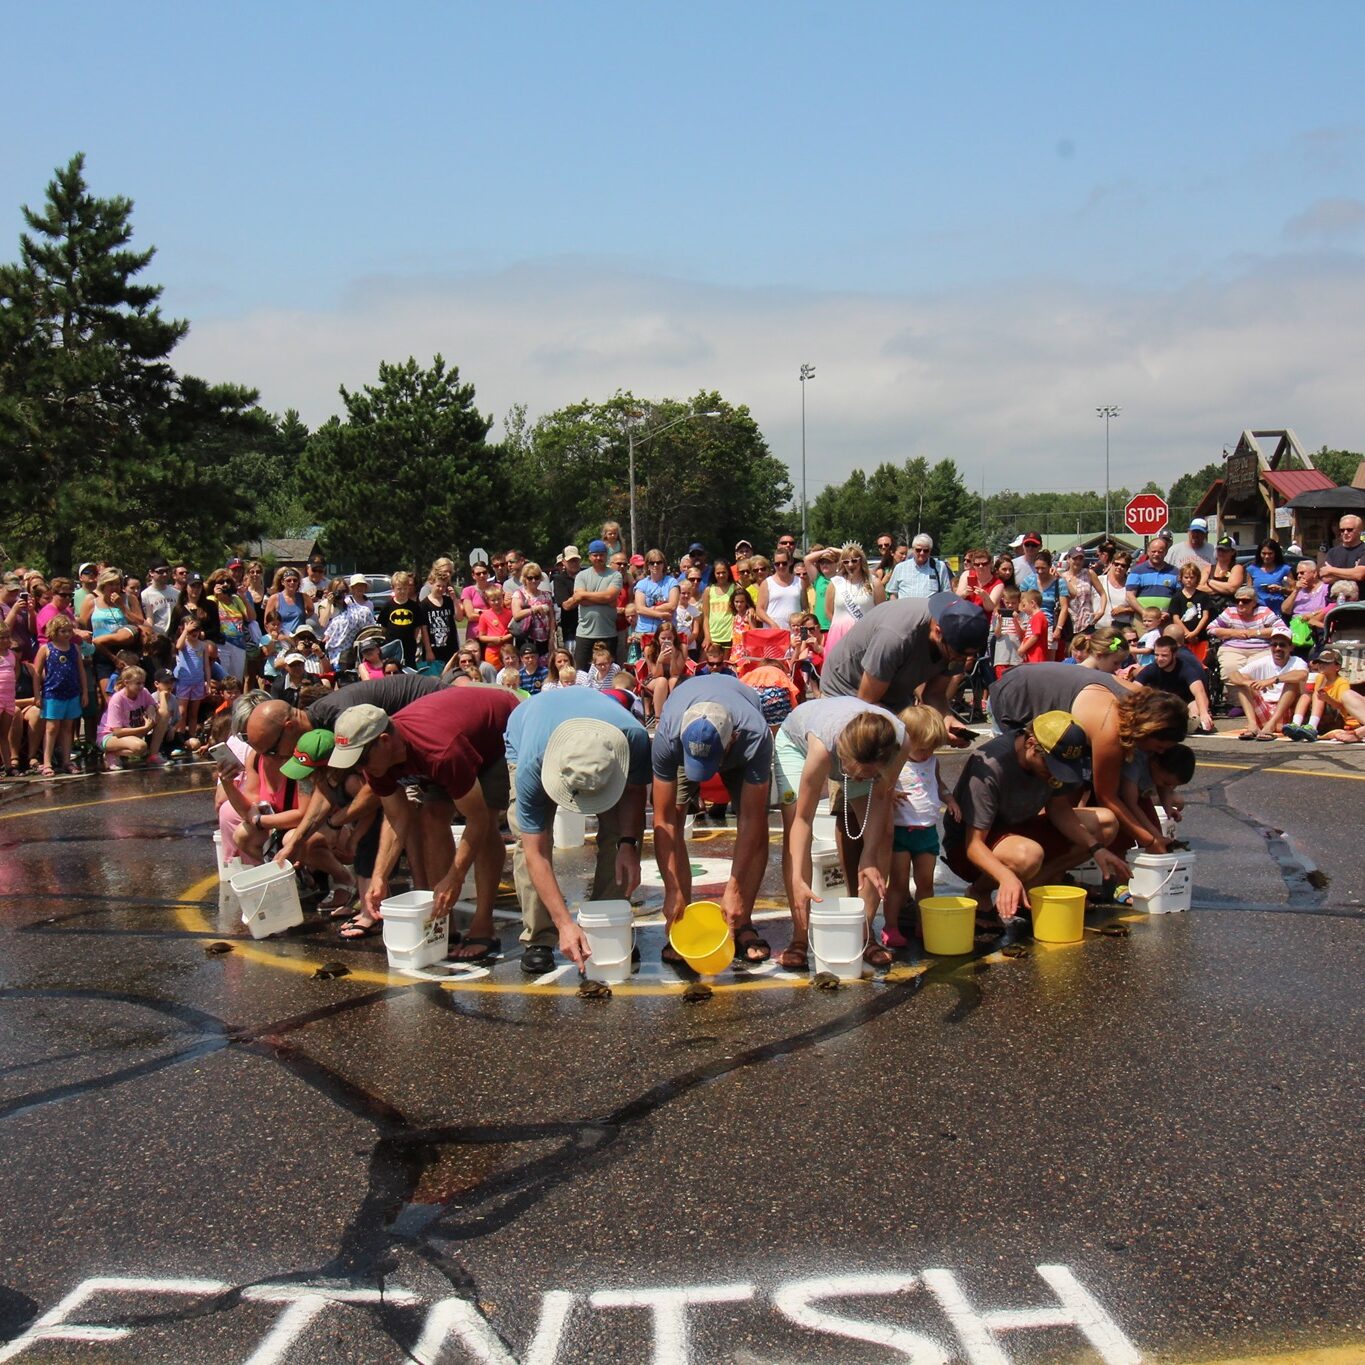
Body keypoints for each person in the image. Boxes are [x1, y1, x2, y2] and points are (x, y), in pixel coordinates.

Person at [335, 689, 517, 953]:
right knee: (431, 819)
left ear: (384, 741)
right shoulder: (377, 762)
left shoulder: (440, 751)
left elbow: (475, 820)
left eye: (361, 759)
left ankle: (483, 925)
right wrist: (379, 877)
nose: (361, 769)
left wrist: (455, 878)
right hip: (449, 740)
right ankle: (444, 924)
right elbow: (397, 817)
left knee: (486, 820)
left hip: (495, 732)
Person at [504, 687, 650, 973]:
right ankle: (539, 937)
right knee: (528, 838)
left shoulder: (634, 738)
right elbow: (536, 852)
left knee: (620, 830)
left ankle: (606, 926)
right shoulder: (532, 765)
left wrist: (629, 845)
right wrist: (565, 924)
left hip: (599, 741)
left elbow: (633, 793)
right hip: (528, 731)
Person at [943, 711, 1129, 921]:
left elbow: (1059, 809)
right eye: (1050, 766)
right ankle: (979, 891)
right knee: (1027, 856)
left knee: (1106, 823)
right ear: (1031, 743)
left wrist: (1096, 847)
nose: (1055, 774)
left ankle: (1034, 884)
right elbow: (973, 847)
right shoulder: (991, 767)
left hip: (1020, 830)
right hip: (972, 846)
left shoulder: (1053, 759)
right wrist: (1006, 876)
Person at [987, 661, 1187, 855]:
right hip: (1019, 695)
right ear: (1146, 730)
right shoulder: (1109, 729)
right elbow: (1107, 797)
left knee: (1071, 782)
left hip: (1044, 683)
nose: (1159, 753)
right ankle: (1019, 849)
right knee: (1041, 778)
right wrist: (1149, 840)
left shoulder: (1145, 702)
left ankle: (1061, 849)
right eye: (1159, 747)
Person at [775, 697, 915, 971]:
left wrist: (869, 855)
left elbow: (882, 799)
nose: (860, 779)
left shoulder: (900, 742)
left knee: (884, 834)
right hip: (798, 743)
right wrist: (796, 879)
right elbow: (803, 820)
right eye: (856, 774)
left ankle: (864, 934)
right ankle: (800, 938)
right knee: (795, 828)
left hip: (861, 752)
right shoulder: (821, 749)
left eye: (869, 775)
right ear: (843, 757)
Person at [651, 675, 775, 964]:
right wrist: (671, 891)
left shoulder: (754, 735)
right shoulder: (668, 736)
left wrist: (733, 890)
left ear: (732, 738)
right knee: (677, 812)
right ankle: (681, 917)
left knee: (756, 822)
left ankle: (741, 920)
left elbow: (751, 820)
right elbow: (664, 820)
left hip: (741, 749)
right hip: (684, 740)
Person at [818, 593, 989, 744]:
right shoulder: (896, 636)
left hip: (893, 692)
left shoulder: (958, 635)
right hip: (847, 691)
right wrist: (918, 729)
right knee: (865, 758)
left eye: (968, 655)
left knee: (907, 755)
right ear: (938, 632)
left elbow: (935, 693)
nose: (961, 660)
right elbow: (867, 703)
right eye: (958, 654)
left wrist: (945, 718)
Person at [881, 706, 955, 949]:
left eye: (932, 748)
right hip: (901, 830)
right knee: (899, 884)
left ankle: (923, 924)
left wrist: (950, 799)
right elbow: (880, 785)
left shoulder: (931, 761)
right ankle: (891, 926)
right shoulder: (895, 761)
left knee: (925, 883)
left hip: (927, 830)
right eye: (922, 748)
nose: (927, 753)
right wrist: (890, 794)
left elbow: (939, 784)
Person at [1225, 625, 1308, 740]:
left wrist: (1272, 680)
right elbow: (1233, 675)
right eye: (1274, 645)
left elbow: (1302, 675)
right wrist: (1248, 682)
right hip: (1264, 709)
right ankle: (1252, 725)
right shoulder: (1264, 661)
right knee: (1242, 684)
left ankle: (1272, 724)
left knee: (1292, 681)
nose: (1277, 648)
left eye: (1282, 645)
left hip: (1284, 710)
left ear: (1291, 647)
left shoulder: (1297, 662)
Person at [34, 614, 88, 775]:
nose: (66, 634)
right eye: (62, 631)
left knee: (67, 728)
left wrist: (84, 691)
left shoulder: (74, 648)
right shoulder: (46, 649)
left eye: (68, 631)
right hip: (52, 693)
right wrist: (37, 695)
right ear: (54, 631)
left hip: (71, 693)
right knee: (51, 728)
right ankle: (47, 762)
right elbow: (37, 673)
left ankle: (66, 760)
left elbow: (81, 671)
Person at [1135, 636, 1216, 735]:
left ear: (1174, 654)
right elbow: (1133, 688)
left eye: (1164, 655)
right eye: (1156, 655)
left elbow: (1199, 691)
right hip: (1163, 706)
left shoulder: (1186, 669)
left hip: (1185, 706)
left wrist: (1204, 713)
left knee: (1196, 705)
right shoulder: (1151, 669)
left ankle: (1193, 722)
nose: (1159, 659)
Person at [1283, 647, 1365, 742]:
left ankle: (1312, 726)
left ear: (1337, 667)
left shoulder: (1341, 682)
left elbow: (1343, 707)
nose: (1321, 665)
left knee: (1318, 696)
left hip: (1336, 719)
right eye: (1320, 662)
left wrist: (1327, 699)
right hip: (1322, 716)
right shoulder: (1319, 678)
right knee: (1306, 695)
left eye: (1326, 662)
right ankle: (1296, 724)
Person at [97, 664, 170, 770]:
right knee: (140, 747)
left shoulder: (143, 692)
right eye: (138, 683)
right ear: (126, 683)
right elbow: (117, 732)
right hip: (110, 736)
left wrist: (151, 706)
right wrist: (144, 728)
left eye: (143, 683)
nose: (141, 686)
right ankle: (112, 754)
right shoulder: (117, 699)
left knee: (163, 714)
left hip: (132, 733)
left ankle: (153, 755)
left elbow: (159, 709)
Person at [566, 540, 623, 671]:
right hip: (585, 633)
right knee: (581, 673)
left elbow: (610, 596)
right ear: (590, 556)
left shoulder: (615, 575)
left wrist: (586, 596)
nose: (598, 558)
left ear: (606, 555)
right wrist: (605, 599)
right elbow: (581, 599)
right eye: (595, 555)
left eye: (601, 555)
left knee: (608, 673)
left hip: (608, 633)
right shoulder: (581, 576)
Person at [823, 543, 882, 652]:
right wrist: (842, 626)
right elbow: (828, 612)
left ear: (861, 561)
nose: (850, 565)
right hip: (839, 635)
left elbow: (881, 612)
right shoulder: (835, 583)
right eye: (846, 562)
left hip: (865, 635)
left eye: (854, 560)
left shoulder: (874, 582)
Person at [1210, 585, 1279, 661]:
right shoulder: (1230, 611)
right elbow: (1211, 628)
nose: (1240, 603)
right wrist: (1233, 633)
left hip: (1261, 649)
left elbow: (1281, 629)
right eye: (1237, 601)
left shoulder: (1264, 611)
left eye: (1245, 601)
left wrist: (1255, 632)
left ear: (1254, 602)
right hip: (1232, 648)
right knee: (1230, 667)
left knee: (1257, 667)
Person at [378, 571, 428, 669]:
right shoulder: (387, 606)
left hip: (409, 645)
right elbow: (383, 628)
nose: (402, 591)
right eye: (399, 589)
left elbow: (417, 627)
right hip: (392, 645)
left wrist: (412, 638)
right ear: (393, 588)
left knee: (409, 669)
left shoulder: (414, 606)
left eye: (405, 589)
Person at [1170, 563, 1213, 664]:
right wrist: (1187, 634)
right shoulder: (1177, 596)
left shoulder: (1203, 596)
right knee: (1183, 661)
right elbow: (1175, 618)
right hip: (1183, 639)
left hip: (1200, 637)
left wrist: (1195, 633)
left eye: (1192, 577)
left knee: (1201, 662)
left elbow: (1205, 616)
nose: (1189, 580)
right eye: (1186, 577)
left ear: (1197, 578)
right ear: (1181, 578)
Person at [885, 534, 951, 599]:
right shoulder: (900, 568)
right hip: (906, 609)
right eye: (918, 550)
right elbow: (893, 593)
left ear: (930, 550)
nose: (922, 553)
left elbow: (946, 592)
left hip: (930, 609)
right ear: (913, 549)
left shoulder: (940, 566)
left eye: (926, 550)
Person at [1128, 534, 1180, 616]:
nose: (1156, 554)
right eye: (1153, 551)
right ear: (1148, 552)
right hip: (1143, 620)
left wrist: (1169, 613)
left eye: (1160, 552)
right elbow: (1130, 596)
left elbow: (1179, 596)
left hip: (1166, 619)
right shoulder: (1136, 571)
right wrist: (1144, 613)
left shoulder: (1175, 572)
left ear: (1166, 552)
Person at [757, 547, 803, 629]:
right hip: (773, 631)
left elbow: (805, 607)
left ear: (790, 562)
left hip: (795, 633)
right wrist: (772, 623)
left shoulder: (799, 582)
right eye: (777, 564)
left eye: (784, 563)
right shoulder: (767, 583)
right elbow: (759, 610)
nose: (781, 566)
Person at [699, 559, 736, 656]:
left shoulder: (735, 588)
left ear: (728, 573)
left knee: (726, 666)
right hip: (713, 636)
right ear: (714, 574)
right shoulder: (709, 590)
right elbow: (706, 617)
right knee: (708, 665)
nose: (721, 575)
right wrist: (707, 636)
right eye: (718, 573)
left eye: (724, 572)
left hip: (730, 636)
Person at [1319, 513, 1365, 591]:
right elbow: (1325, 578)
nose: (1345, 533)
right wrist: (1352, 573)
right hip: (1334, 599)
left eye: (1350, 529)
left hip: (1359, 601)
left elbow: (1359, 575)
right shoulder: (1332, 552)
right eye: (1342, 530)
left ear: (1359, 531)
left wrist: (1330, 570)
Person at [1247, 539, 1292, 615]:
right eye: (1264, 553)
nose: (1267, 556)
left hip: (1277, 610)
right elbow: (1248, 592)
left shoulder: (1284, 569)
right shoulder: (1252, 569)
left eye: (1270, 553)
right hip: (1258, 610)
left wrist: (1280, 589)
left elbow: (1293, 590)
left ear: (1276, 553)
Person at [1102, 550, 1141, 632]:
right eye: (1116, 564)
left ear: (1127, 568)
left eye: (1123, 566)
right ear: (1111, 564)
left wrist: (1125, 610)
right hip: (1100, 627)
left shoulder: (1132, 584)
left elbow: (1139, 607)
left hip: (1123, 628)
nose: (1119, 567)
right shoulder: (1099, 580)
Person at [552, 546, 582, 654]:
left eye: (576, 560)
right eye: (570, 560)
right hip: (571, 631)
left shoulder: (587, 575)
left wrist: (578, 598)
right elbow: (566, 605)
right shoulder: (559, 580)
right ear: (564, 562)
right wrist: (587, 596)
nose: (574, 563)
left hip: (591, 629)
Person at [140, 563, 179, 637]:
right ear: (151, 573)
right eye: (160, 571)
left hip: (175, 636)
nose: (165, 574)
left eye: (167, 571)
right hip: (156, 637)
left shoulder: (177, 593)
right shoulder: (145, 595)